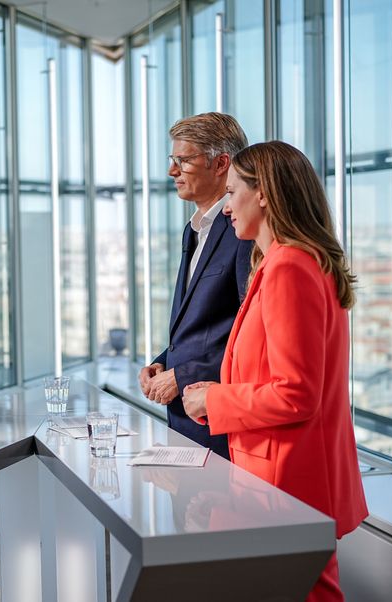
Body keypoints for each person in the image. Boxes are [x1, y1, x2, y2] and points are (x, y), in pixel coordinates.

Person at [181, 141, 368, 601]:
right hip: (282, 480)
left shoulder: (289, 268)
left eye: (232, 192)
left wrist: (212, 401)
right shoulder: (289, 263)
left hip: (286, 484)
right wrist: (221, 387)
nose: (226, 209)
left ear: (263, 193)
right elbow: (283, 374)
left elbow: (296, 393)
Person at [138, 112, 253, 459]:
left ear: (221, 164)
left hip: (219, 425)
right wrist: (163, 363)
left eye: (183, 161)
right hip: (184, 419)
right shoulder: (194, 229)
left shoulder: (243, 233)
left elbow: (250, 338)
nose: (172, 171)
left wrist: (184, 375)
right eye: (173, 160)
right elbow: (199, 324)